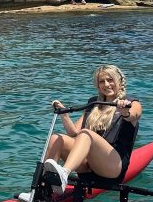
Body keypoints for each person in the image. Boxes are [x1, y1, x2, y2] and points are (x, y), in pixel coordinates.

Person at [43, 64, 141, 193]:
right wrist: (64, 115)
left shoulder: (131, 103)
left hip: (112, 168)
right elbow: (73, 132)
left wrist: (125, 111)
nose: (106, 84)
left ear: (119, 80)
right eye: (102, 81)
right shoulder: (94, 103)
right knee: (56, 138)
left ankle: (64, 173)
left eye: (110, 80)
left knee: (86, 134)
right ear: (98, 85)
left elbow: (134, 114)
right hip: (88, 166)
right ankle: (42, 188)